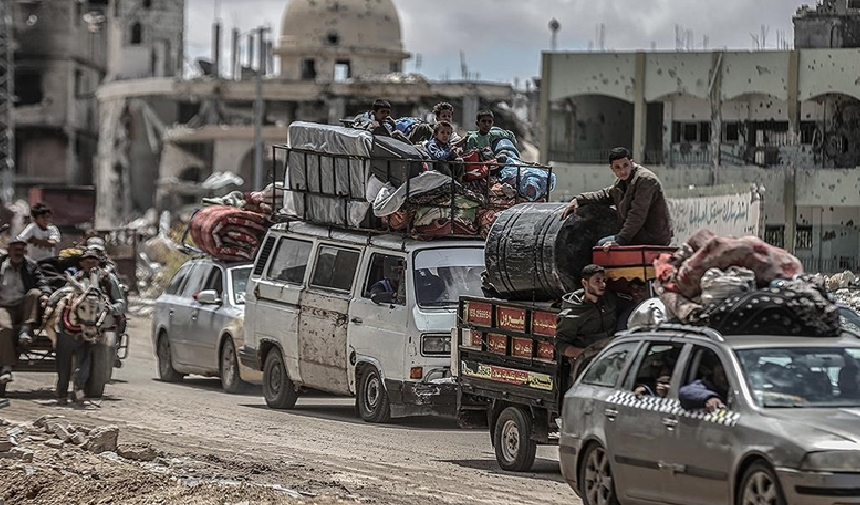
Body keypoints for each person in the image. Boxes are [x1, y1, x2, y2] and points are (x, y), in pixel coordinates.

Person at [560, 147, 672, 249]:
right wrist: (578, 199)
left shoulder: (645, 180)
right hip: (636, 235)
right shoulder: (622, 183)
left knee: (601, 246)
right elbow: (604, 195)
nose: (622, 171)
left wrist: (621, 240)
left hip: (653, 238)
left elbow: (637, 215)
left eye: (625, 165)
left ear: (631, 163)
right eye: (617, 167)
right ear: (612, 168)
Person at [54, 250, 126, 405]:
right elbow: (65, 294)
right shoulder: (76, 279)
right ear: (81, 263)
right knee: (64, 359)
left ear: (98, 262)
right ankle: (62, 393)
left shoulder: (108, 279)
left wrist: (109, 309)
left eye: (93, 260)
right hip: (74, 324)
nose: (90, 263)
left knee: (85, 358)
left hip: (98, 326)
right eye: (87, 260)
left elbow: (121, 303)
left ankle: (80, 389)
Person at [0, 238, 51, 385]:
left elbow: (42, 281)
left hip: (24, 306)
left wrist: (46, 294)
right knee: (5, 329)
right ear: (8, 250)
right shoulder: (1, 265)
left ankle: (25, 330)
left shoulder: (31, 265)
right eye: (15, 249)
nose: (18, 252)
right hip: (3, 306)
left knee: (35, 293)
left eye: (21, 250)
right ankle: (6, 367)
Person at [556, 264, 628, 359]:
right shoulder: (573, 313)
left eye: (603, 281)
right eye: (597, 281)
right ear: (585, 283)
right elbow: (560, 345)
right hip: (588, 362)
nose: (602, 285)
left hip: (612, 356)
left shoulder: (609, 300)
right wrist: (587, 353)